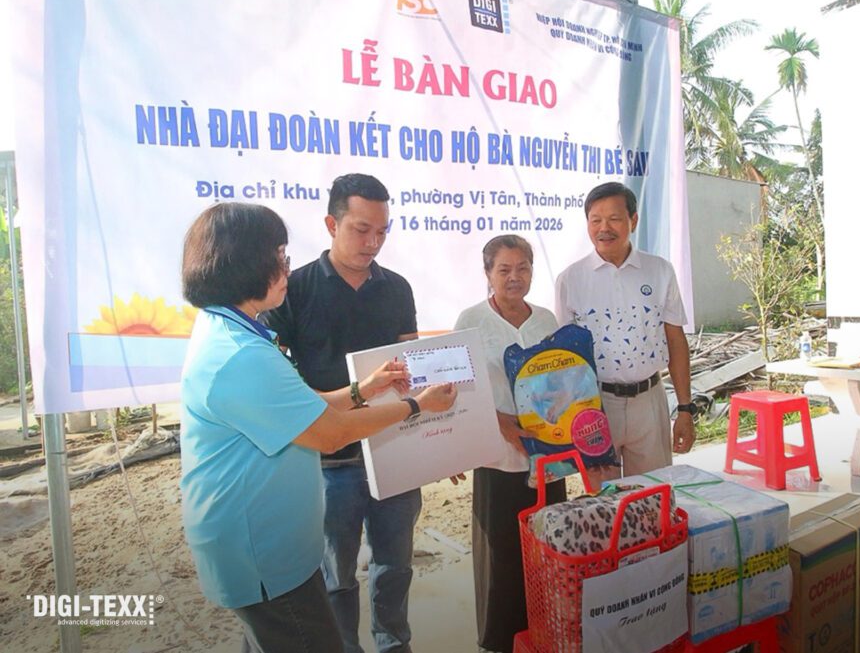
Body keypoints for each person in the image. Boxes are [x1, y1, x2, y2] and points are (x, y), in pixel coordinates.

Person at [178, 202, 456, 653]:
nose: (286, 268)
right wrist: (414, 406)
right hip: (263, 556)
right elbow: (328, 433)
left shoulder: (237, 334)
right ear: (248, 264)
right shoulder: (241, 354)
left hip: (265, 549)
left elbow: (301, 407)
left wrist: (363, 389)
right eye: (279, 257)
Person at [261, 173, 420, 653]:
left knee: (395, 567)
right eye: (360, 229)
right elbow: (280, 381)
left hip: (393, 451)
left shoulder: (397, 288)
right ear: (331, 223)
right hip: (330, 464)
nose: (373, 242)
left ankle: (394, 643)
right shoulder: (296, 289)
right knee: (336, 576)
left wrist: (437, 437)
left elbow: (414, 370)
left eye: (383, 231)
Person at [453, 235, 568, 653]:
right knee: (500, 554)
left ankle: (545, 627)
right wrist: (497, 420)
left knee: (548, 544)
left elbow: (564, 381)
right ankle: (499, 640)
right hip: (496, 454)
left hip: (547, 455)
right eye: (504, 269)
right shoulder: (470, 321)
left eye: (523, 268)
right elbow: (456, 391)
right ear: (488, 274)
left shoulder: (547, 321)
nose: (514, 277)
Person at [555, 181, 696, 482]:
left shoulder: (659, 271)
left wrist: (685, 408)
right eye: (596, 220)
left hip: (650, 400)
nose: (604, 228)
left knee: (653, 498)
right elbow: (565, 357)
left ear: (633, 220)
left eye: (614, 218)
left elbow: (676, 340)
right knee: (603, 503)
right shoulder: (571, 280)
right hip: (595, 405)